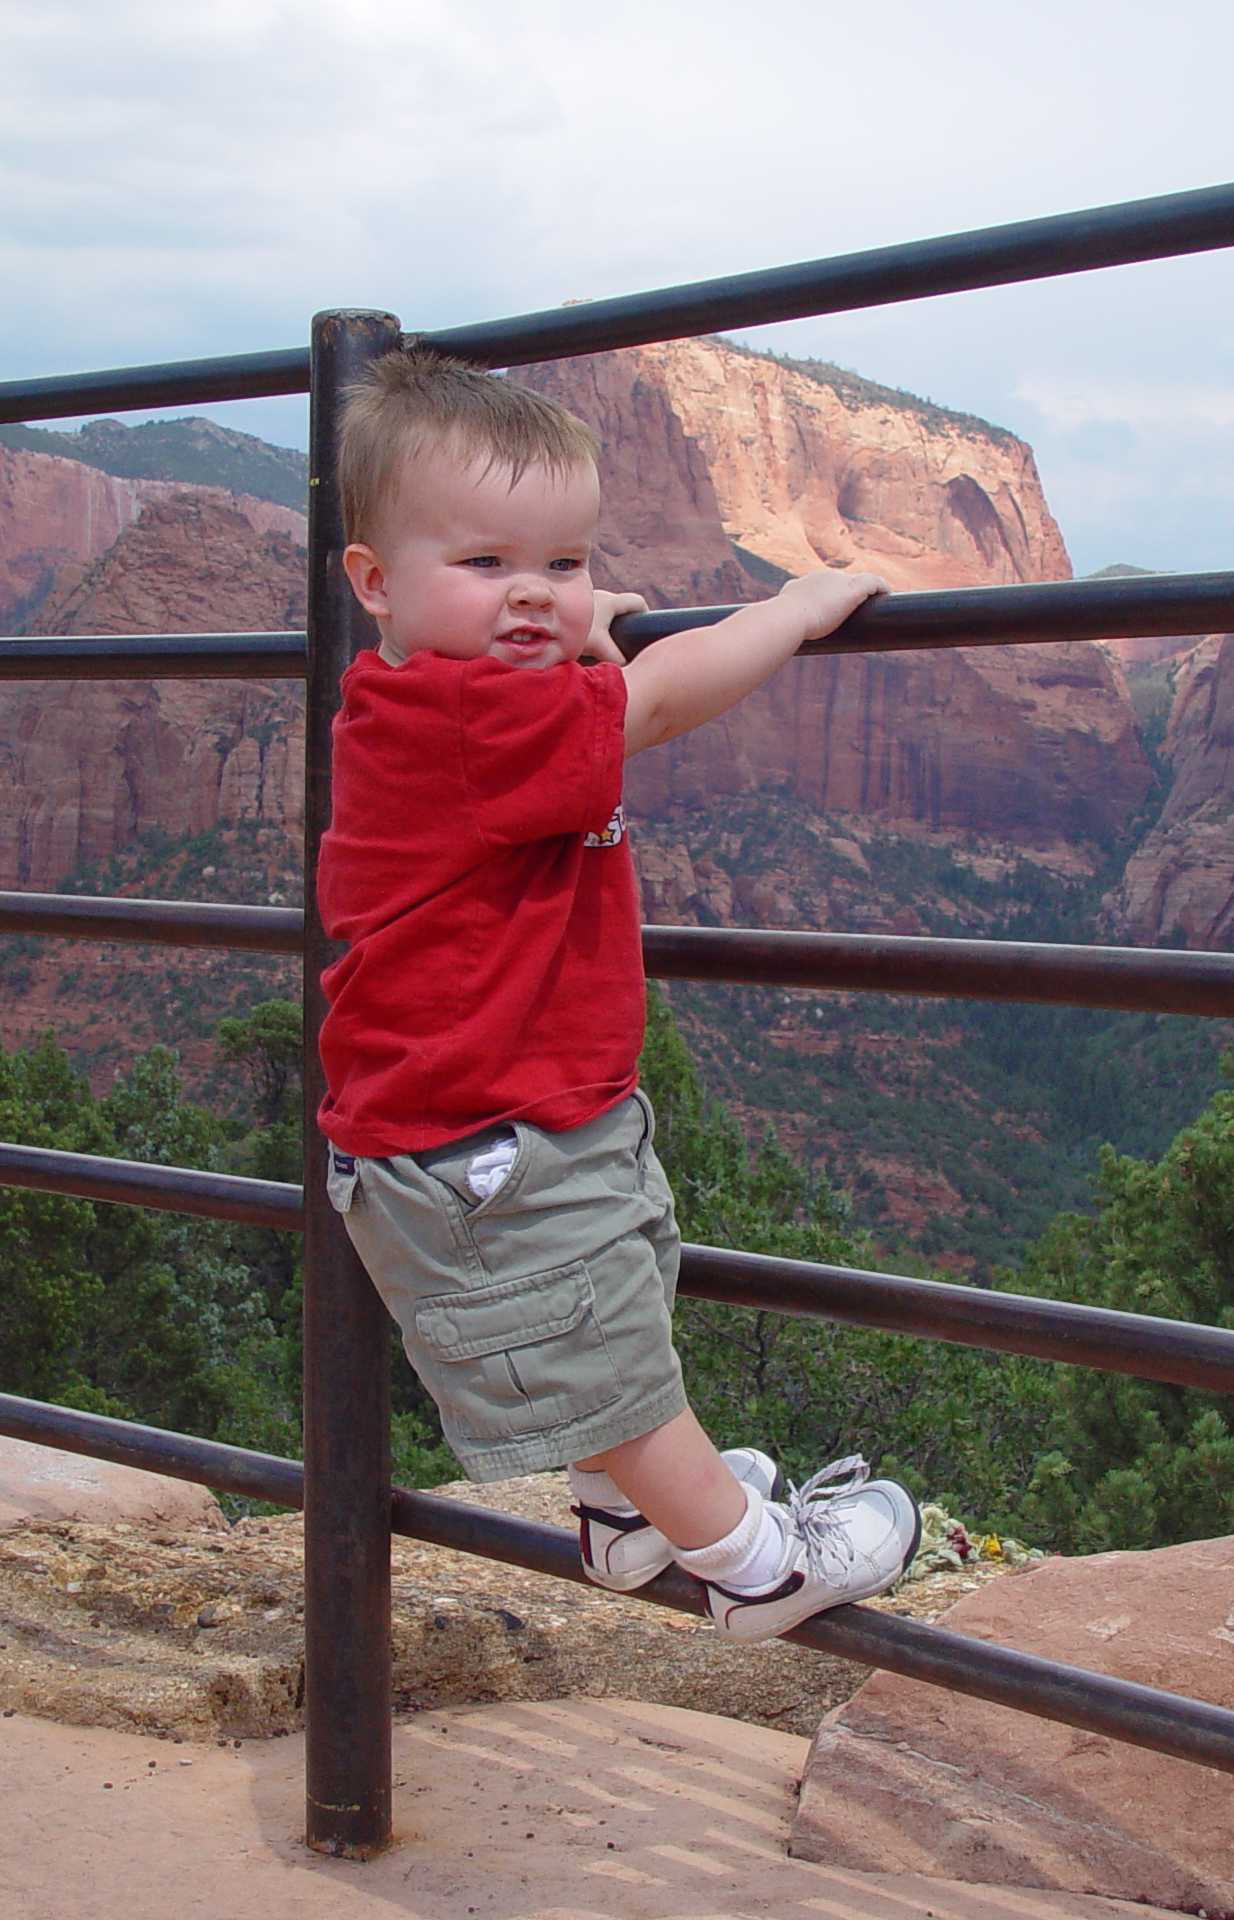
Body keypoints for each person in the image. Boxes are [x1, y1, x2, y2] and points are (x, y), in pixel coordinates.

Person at [318, 350, 915, 1642]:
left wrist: (563, 636)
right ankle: (757, 1567)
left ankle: (627, 1519)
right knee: (610, 1352)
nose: (532, 595)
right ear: (375, 582)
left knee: (606, 1301)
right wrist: (791, 611)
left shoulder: (430, 693)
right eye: (485, 566)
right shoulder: (479, 722)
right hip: (485, 1142)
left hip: (505, 1117)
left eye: (565, 564)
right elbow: (650, 701)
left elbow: (569, 688)